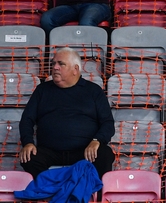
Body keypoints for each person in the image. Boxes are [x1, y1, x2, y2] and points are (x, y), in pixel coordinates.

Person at [19, 47, 115, 178]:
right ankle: (54, 192)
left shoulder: (93, 91)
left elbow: (108, 123)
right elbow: (26, 120)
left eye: (61, 64)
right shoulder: (42, 90)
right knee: (28, 157)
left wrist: (97, 140)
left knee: (105, 154)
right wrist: (28, 142)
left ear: (75, 69)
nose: (55, 67)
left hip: (84, 152)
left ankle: (92, 194)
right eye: (53, 64)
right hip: (49, 152)